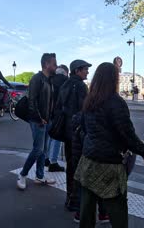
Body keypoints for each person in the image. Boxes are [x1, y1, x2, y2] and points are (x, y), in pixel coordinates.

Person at [74, 62, 144, 228]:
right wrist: (143, 151)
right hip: (110, 163)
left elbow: (85, 128)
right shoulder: (116, 102)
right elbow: (127, 133)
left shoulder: (90, 100)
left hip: (89, 160)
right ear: (113, 79)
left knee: (87, 210)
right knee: (117, 209)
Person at [17, 53, 57, 190]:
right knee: (38, 149)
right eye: (54, 63)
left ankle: (40, 176)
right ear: (46, 64)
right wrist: (39, 119)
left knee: (43, 150)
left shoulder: (49, 80)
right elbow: (32, 102)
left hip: (46, 120)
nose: (56, 66)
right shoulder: (37, 79)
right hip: (38, 120)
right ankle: (22, 175)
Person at [56, 59, 91, 214]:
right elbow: (85, 111)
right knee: (80, 167)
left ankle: (69, 197)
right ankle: (77, 203)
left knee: (71, 165)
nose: (87, 72)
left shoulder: (65, 85)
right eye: (85, 69)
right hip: (79, 133)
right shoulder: (81, 86)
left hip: (67, 131)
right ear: (77, 70)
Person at [46, 64, 69, 172]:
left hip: (48, 113)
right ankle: (53, 162)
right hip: (59, 113)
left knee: (50, 136)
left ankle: (46, 158)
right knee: (57, 138)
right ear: (66, 72)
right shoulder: (66, 81)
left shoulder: (50, 78)